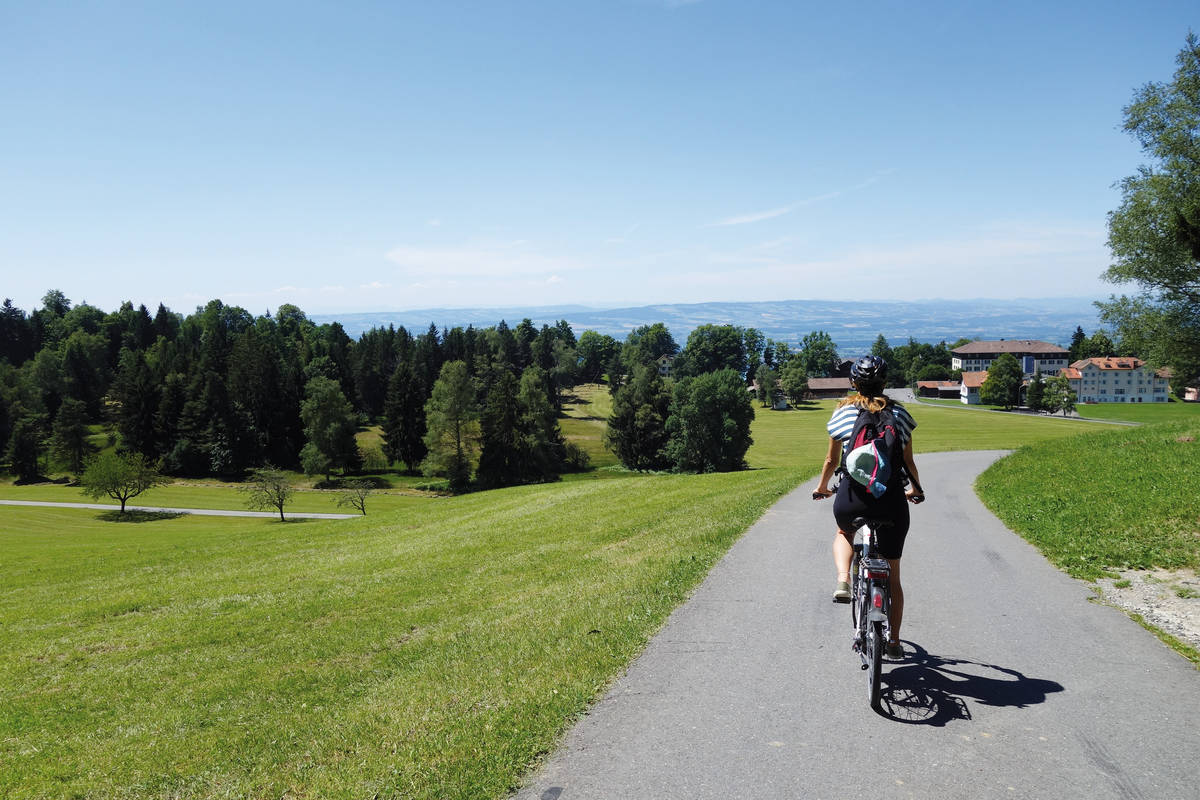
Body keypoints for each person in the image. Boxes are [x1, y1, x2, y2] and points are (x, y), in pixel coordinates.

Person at [812, 355, 924, 659]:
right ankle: (894, 642)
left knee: (843, 532)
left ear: (853, 383)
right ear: (885, 383)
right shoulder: (899, 415)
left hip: (852, 497)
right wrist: (915, 488)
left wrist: (822, 487)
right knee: (894, 575)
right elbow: (908, 461)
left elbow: (831, 461)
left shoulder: (843, 413)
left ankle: (843, 579)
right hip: (891, 501)